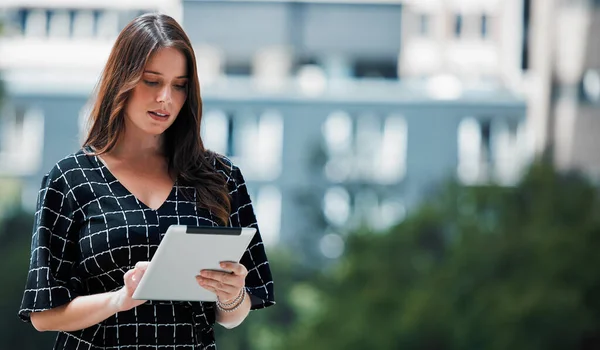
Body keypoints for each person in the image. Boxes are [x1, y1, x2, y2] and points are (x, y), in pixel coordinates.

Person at [18, 13, 275, 349]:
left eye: (179, 85)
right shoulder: (70, 179)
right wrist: (118, 299)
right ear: (122, 80)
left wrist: (231, 296)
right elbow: (44, 314)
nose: (166, 98)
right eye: (152, 81)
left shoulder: (221, 177)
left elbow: (232, 314)